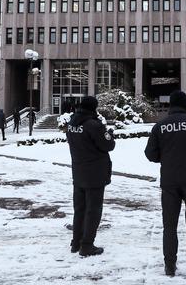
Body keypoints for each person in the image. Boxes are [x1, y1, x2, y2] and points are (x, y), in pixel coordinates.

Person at [144, 90, 186, 278]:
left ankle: (169, 266)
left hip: (169, 181)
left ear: (171, 106)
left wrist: (166, 156)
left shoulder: (160, 125)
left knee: (169, 226)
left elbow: (150, 154)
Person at [66, 96, 115, 257]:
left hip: (78, 171)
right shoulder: (94, 125)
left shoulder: (72, 123)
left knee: (79, 209)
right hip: (95, 173)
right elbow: (108, 145)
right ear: (94, 108)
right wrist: (108, 134)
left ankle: (76, 242)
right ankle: (87, 245)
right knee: (93, 210)